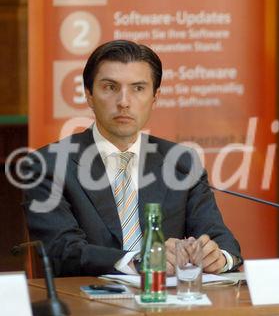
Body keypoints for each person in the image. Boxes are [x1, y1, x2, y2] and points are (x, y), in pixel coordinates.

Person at [22, 40, 242, 277]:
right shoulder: (47, 165)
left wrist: (218, 257)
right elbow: (62, 251)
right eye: (110, 87)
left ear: (155, 97)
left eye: (138, 88)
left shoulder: (181, 162)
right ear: (89, 96)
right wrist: (138, 261)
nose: (124, 101)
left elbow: (220, 238)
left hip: (169, 306)